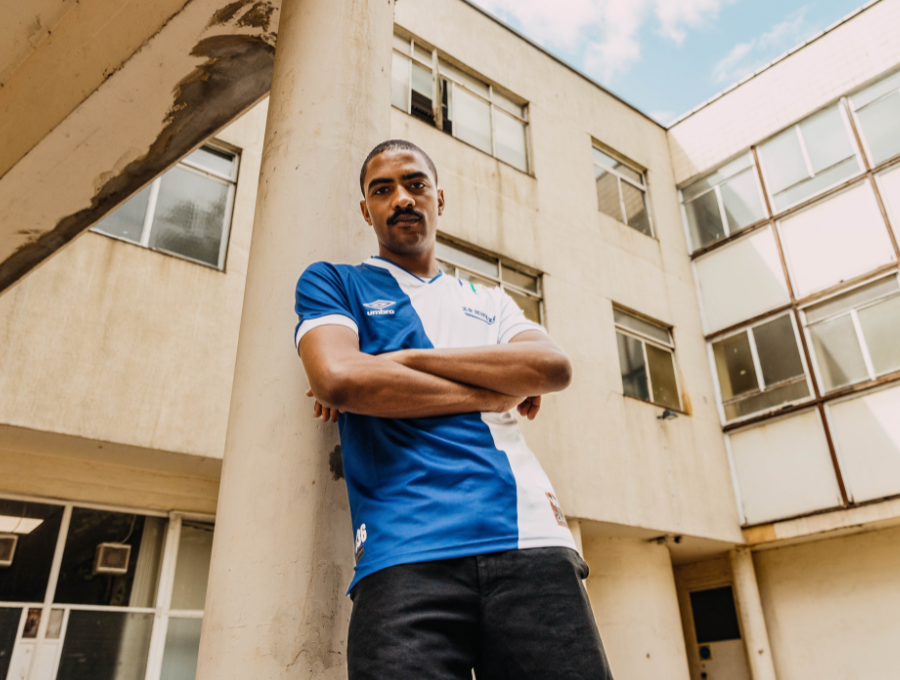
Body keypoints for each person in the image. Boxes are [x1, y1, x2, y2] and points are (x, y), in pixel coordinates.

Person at [294, 139, 613, 679]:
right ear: (365, 208)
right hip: (403, 555)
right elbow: (340, 379)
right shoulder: (333, 283)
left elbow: (553, 369)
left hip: (529, 541)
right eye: (382, 189)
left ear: (439, 198)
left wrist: (404, 361)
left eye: (415, 184)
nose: (401, 198)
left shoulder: (491, 301)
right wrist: (498, 389)